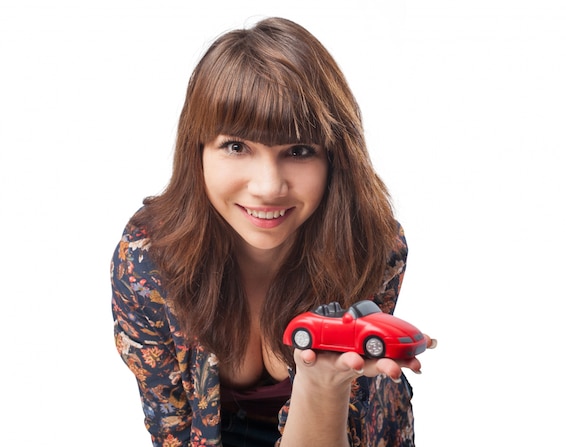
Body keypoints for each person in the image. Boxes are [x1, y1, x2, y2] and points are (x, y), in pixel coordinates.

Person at [111, 16, 435, 447]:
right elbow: (169, 429)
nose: (268, 187)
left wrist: (322, 382)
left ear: (334, 159)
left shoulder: (372, 247)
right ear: (198, 150)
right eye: (236, 146)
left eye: (298, 150)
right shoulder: (147, 260)